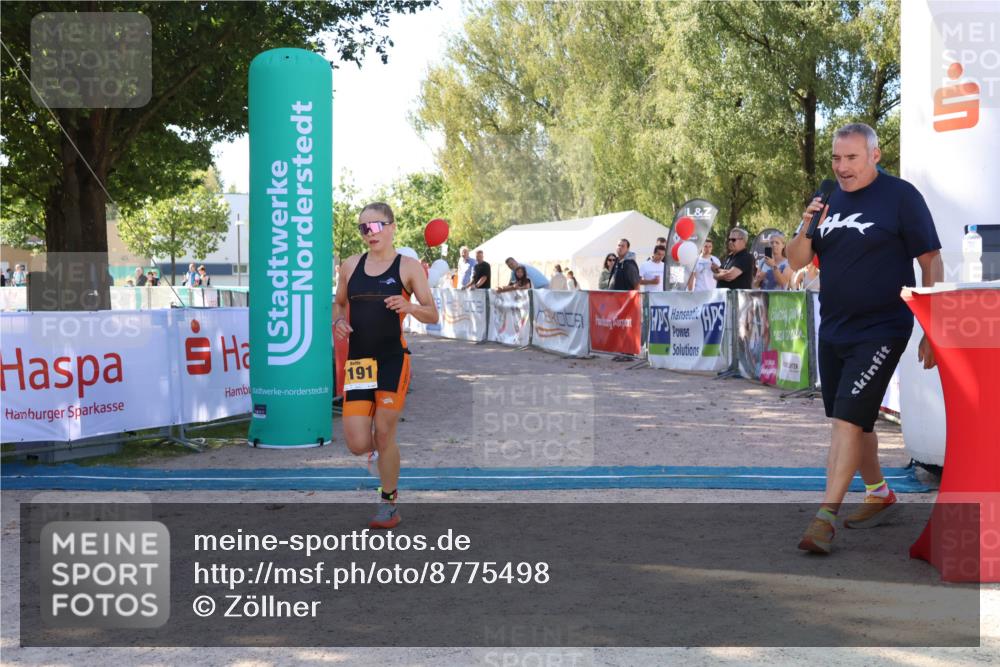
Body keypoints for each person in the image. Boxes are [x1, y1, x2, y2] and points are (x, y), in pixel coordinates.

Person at [786, 122, 943, 555]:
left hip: (883, 327)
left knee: (846, 422)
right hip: (834, 326)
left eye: (851, 158)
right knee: (855, 418)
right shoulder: (826, 195)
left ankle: (824, 519)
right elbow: (798, 260)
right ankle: (878, 493)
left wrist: (933, 328)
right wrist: (806, 225)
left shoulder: (901, 197)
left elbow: (931, 262)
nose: (842, 167)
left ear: (874, 155)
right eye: (837, 158)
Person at [333, 202, 439, 529]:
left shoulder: (408, 267)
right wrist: (337, 320)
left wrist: (408, 305)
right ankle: (379, 455)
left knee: (384, 431)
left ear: (392, 227)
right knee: (357, 443)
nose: (370, 233)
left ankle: (388, 503)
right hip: (359, 362)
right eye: (363, 228)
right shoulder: (350, 266)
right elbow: (339, 302)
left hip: (393, 359)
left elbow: (432, 313)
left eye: (376, 226)